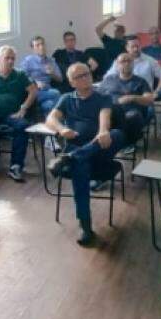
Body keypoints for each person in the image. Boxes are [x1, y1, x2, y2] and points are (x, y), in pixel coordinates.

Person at [46, 63, 127, 247]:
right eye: (79, 76)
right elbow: (50, 119)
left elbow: (104, 117)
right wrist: (62, 129)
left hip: (99, 150)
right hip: (76, 148)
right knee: (79, 170)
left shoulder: (103, 98)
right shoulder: (66, 98)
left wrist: (103, 131)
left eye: (87, 74)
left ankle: (71, 157)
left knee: (117, 134)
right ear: (72, 82)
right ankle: (86, 226)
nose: (85, 78)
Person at [0, 45, 37, 182]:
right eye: (7, 58)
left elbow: (33, 91)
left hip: (12, 115)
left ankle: (16, 166)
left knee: (22, 126)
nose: (10, 61)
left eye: (13, 59)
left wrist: (23, 108)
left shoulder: (20, 75)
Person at [104, 38, 161, 115]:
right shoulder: (120, 60)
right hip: (122, 95)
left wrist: (157, 91)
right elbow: (108, 77)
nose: (136, 49)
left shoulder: (149, 60)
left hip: (144, 95)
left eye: (138, 46)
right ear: (127, 48)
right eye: (133, 47)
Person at [98, 52, 155, 145]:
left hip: (129, 113)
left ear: (133, 63)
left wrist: (132, 97)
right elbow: (98, 96)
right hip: (111, 112)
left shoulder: (140, 81)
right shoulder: (109, 79)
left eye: (129, 61)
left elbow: (149, 100)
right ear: (117, 64)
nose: (126, 63)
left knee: (133, 116)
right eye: (123, 61)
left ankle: (126, 143)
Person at [18, 35, 63, 114]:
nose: (41, 47)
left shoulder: (51, 61)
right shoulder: (28, 61)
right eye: (37, 45)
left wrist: (52, 73)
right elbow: (21, 77)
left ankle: (50, 124)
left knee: (48, 105)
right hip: (33, 92)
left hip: (47, 90)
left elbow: (60, 79)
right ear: (33, 49)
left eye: (42, 44)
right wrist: (35, 82)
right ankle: (60, 121)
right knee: (56, 93)